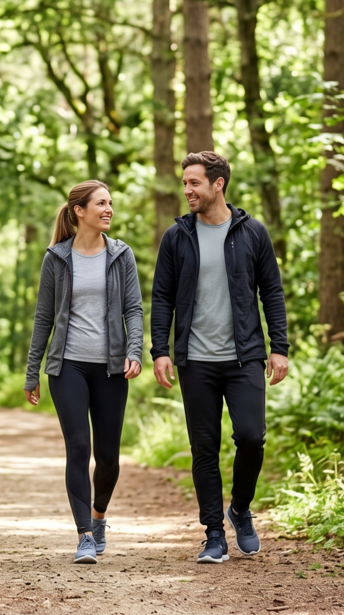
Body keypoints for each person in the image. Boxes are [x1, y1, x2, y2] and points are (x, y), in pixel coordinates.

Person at [150, 151, 289, 564]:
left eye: (194, 183)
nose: (187, 190)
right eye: (184, 183)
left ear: (218, 184)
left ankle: (240, 509)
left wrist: (278, 346)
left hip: (244, 356)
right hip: (196, 360)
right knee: (204, 447)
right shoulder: (177, 237)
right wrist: (160, 350)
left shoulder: (252, 233)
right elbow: (162, 298)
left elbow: (272, 292)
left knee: (251, 437)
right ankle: (213, 533)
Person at [24, 180, 145, 564]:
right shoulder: (56, 258)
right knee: (79, 448)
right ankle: (84, 535)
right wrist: (32, 373)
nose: (109, 209)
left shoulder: (121, 255)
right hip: (68, 366)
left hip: (110, 367)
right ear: (80, 211)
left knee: (108, 457)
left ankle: (99, 516)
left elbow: (134, 310)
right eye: (101, 203)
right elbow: (44, 318)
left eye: (111, 203)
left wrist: (135, 350)